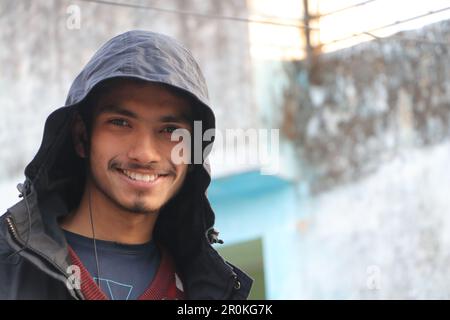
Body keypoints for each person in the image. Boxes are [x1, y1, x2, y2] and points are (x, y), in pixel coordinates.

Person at [0, 30, 252, 300]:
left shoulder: (210, 291)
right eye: (120, 122)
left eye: (169, 129)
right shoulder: (8, 269)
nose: (144, 154)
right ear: (82, 136)